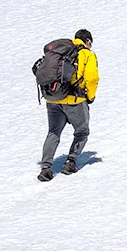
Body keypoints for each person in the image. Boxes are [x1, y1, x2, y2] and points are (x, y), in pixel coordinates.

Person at [38, 29, 100, 181]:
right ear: (88, 41)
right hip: (75, 100)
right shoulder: (87, 54)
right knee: (82, 132)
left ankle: (46, 168)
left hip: (52, 98)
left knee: (53, 132)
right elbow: (92, 78)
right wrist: (90, 97)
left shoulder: (61, 51)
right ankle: (70, 162)